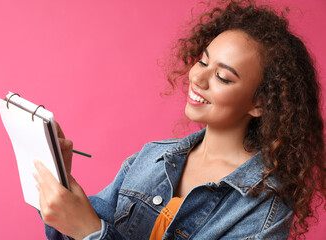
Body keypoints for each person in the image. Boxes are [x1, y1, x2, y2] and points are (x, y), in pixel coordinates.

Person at [32, 0, 326, 239]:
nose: (197, 77)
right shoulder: (152, 157)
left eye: (222, 77)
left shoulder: (263, 209)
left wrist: (91, 232)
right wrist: (60, 180)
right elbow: (77, 227)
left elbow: (89, 229)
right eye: (202, 60)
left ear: (261, 103)